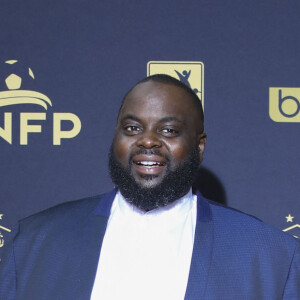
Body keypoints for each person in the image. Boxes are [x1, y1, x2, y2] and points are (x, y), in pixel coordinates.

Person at [0, 74, 299, 300]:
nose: (147, 140)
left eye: (168, 130)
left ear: (199, 146)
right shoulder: (35, 243)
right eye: (132, 128)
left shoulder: (270, 255)